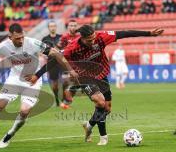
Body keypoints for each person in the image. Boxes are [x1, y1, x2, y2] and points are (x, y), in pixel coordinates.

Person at [27, 25, 164, 145]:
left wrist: (149, 33)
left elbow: (124, 33)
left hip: (101, 74)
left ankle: (89, 125)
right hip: (85, 76)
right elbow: (55, 60)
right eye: (89, 40)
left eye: (93, 37)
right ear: (82, 38)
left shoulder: (101, 37)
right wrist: (37, 75)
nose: (93, 41)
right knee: (100, 102)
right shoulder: (72, 48)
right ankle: (104, 137)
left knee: (107, 109)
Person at [0, 23, 76, 151]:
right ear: (10, 37)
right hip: (14, 79)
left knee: (24, 111)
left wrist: (71, 70)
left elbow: (56, 54)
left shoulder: (33, 43)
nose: (21, 40)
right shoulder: (3, 46)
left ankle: (10, 134)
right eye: (17, 38)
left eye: (22, 37)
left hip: (32, 81)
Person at [58, 19, 80, 109]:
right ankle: (65, 100)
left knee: (78, 82)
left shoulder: (80, 37)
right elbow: (58, 48)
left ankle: (67, 99)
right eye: (71, 25)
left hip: (78, 63)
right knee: (65, 82)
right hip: (66, 63)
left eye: (75, 25)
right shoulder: (64, 37)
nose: (73, 27)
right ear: (68, 27)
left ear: (77, 27)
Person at [41, 20, 62, 106]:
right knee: (55, 84)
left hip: (61, 61)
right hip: (52, 62)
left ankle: (65, 99)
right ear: (49, 28)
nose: (52, 27)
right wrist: (44, 56)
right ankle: (57, 100)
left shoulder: (61, 37)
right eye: (51, 26)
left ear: (56, 27)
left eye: (54, 26)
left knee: (65, 81)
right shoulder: (45, 39)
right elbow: (41, 50)